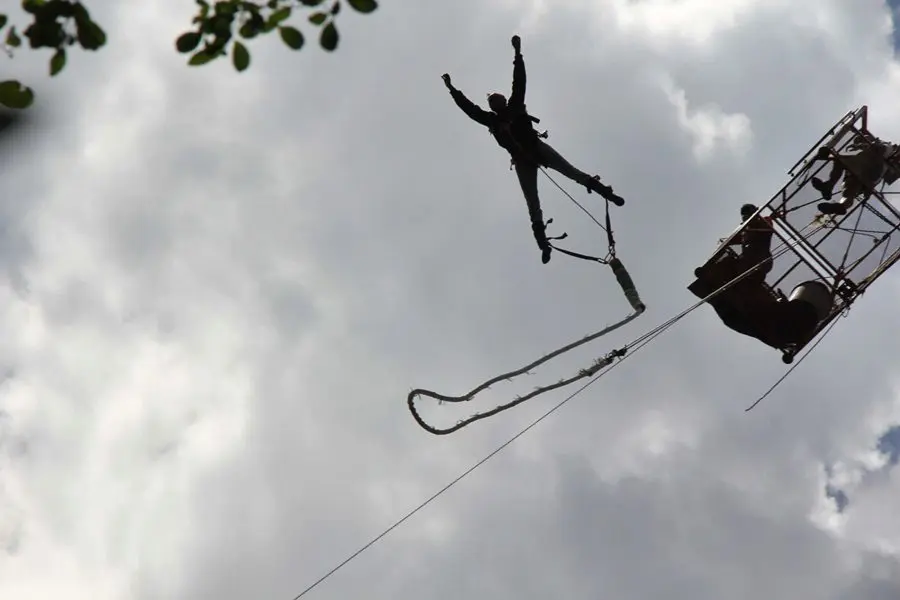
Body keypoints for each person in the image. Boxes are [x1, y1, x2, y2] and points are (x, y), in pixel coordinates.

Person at [442, 34, 624, 264]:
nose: (494, 104)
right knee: (533, 202)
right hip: (521, 159)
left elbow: (519, 81)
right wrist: (452, 89)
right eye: (492, 103)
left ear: (503, 101)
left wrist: (518, 53)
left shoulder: (516, 105)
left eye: (495, 100)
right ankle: (543, 244)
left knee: (570, 171)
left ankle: (605, 192)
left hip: (535, 147)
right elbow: (470, 109)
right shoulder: (492, 121)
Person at [809, 137, 897, 215]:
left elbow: (879, 150)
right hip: (869, 173)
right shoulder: (865, 153)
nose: (857, 143)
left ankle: (830, 185)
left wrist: (831, 155)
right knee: (848, 191)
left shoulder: (881, 146)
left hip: (873, 166)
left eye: (859, 140)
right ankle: (839, 202)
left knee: (841, 161)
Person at [729, 203, 775, 284]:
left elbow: (767, 229)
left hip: (762, 261)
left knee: (754, 278)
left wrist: (748, 230)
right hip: (747, 263)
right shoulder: (746, 230)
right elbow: (733, 240)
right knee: (729, 261)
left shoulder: (764, 221)